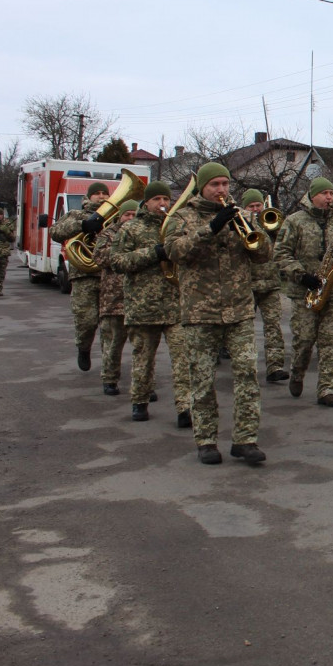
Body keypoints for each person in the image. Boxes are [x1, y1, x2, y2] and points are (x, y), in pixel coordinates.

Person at [163, 163, 272, 466]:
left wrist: (250, 232)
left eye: (226, 184)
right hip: (200, 312)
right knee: (202, 379)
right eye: (215, 185)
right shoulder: (183, 217)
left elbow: (264, 253)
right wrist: (210, 229)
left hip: (239, 310)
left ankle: (246, 439)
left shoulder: (243, 216)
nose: (222, 190)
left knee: (248, 375)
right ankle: (206, 440)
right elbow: (175, 251)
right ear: (203, 188)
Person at [111, 180, 191, 426]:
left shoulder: (177, 226)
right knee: (143, 359)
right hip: (142, 305)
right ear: (146, 202)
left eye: (166, 199)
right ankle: (139, 401)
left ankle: (184, 407)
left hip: (175, 305)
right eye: (157, 199)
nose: (163, 204)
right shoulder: (131, 229)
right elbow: (117, 262)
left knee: (183, 359)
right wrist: (154, 253)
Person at [273, 177, 333, 408]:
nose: (329, 197)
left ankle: (327, 389)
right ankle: (297, 373)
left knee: (330, 342)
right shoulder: (294, 221)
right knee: (305, 341)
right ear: (312, 196)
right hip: (304, 292)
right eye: (324, 193)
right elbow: (281, 254)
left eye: (331, 193)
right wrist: (301, 275)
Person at [49, 181, 110, 371]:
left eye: (104, 193)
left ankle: (109, 368)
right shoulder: (76, 214)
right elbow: (55, 232)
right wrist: (83, 225)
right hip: (84, 276)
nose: (101, 197)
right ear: (89, 197)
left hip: (109, 276)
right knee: (87, 321)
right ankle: (83, 348)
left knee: (111, 326)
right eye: (97, 193)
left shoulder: (114, 217)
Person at [241, 189, 288, 384]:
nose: (255, 209)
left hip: (270, 283)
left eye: (258, 205)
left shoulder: (270, 222)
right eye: (251, 206)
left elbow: (284, 240)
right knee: (245, 329)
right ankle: (245, 366)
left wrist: (273, 227)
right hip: (247, 284)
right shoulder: (240, 223)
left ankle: (275, 366)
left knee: (273, 326)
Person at [93, 200, 136, 395]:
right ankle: (110, 378)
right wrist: (123, 248)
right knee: (113, 342)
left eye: (134, 215)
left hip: (137, 297)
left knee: (142, 347)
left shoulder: (143, 232)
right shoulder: (108, 234)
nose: (130, 219)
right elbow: (99, 258)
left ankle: (143, 385)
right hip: (113, 298)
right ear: (120, 216)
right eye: (127, 215)